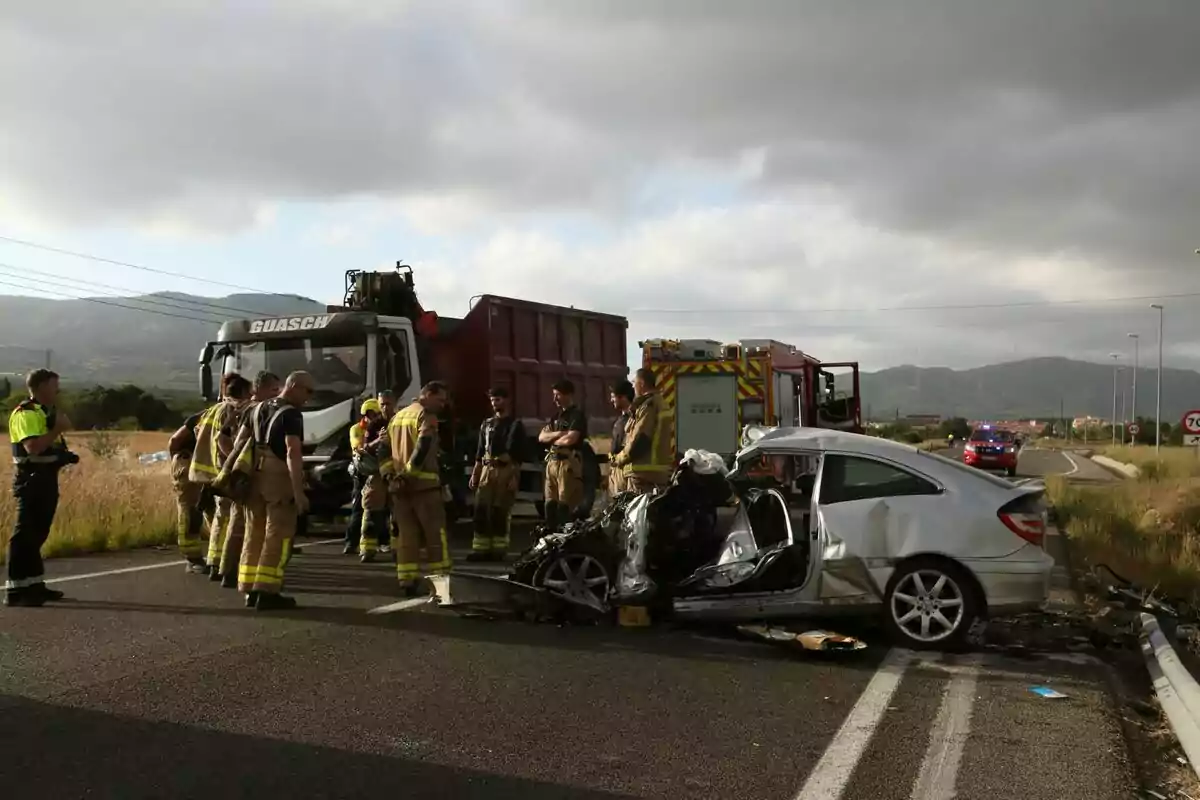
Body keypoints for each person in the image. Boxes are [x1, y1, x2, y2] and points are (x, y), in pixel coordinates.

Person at [235, 370, 313, 610]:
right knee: (278, 534)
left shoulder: (256, 408)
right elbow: (292, 452)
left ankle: (249, 588)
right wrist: (299, 491)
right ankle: (267, 591)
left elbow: (240, 442)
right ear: (294, 386)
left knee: (254, 531)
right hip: (277, 476)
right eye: (308, 391)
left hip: (255, 475)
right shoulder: (291, 414)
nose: (309, 398)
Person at [4, 369, 75, 607]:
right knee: (24, 535)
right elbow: (33, 447)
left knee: (37, 535)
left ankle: (34, 585)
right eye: (55, 385)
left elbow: (48, 449)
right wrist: (57, 429)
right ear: (42, 386)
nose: (59, 390)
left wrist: (64, 456)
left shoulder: (46, 412)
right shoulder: (25, 413)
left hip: (45, 480)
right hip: (31, 480)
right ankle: (15, 590)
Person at [384, 381, 450, 595]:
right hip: (424, 487)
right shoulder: (426, 416)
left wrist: (389, 476)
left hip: (400, 489)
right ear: (427, 394)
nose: (443, 404)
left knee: (406, 537)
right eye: (440, 399)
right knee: (435, 537)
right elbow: (423, 447)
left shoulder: (397, 417)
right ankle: (441, 587)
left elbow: (383, 448)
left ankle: (407, 580)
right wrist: (409, 474)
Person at [216, 370, 281, 588]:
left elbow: (224, 440)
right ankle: (244, 577)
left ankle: (228, 571)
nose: (277, 394)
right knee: (250, 528)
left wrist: (231, 465)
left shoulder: (244, 409)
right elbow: (227, 440)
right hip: (251, 474)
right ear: (259, 389)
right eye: (274, 389)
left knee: (237, 524)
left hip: (241, 472)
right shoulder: (257, 410)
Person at [467, 387, 527, 562]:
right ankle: (480, 549)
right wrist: (475, 474)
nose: (495, 403)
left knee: (499, 511)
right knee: (481, 509)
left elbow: (518, 456)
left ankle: (499, 551)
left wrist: (514, 478)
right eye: (493, 399)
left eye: (499, 399)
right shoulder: (486, 424)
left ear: (507, 400)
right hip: (486, 469)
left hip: (505, 470)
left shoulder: (515, 425)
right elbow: (479, 453)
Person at [203, 374, 253, 581]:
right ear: (242, 392)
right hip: (226, 469)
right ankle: (220, 562)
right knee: (228, 516)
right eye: (248, 392)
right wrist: (235, 459)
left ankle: (214, 560)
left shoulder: (216, 409)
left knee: (220, 517)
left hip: (218, 468)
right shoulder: (232, 410)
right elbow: (222, 439)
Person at [611, 368, 675, 494]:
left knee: (637, 512)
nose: (633, 386)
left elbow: (640, 439)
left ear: (641, 384)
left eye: (634, 382)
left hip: (643, 475)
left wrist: (619, 459)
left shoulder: (648, 406)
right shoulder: (660, 403)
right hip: (656, 472)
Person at [538, 379, 588, 527]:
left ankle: (564, 543)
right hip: (552, 464)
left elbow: (570, 439)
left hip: (567, 465)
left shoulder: (577, 415)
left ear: (569, 395)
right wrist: (560, 433)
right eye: (554, 395)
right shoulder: (556, 417)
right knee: (550, 507)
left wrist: (553, 438)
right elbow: (541, 437)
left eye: (558, 395)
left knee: (564, 508)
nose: (555, 399)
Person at [167, 407, 207, 567]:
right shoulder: (202, 416)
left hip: (200, 465)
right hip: (189, 463)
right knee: (189, 511)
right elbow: (175, 441)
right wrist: (180, 462)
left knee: (199, 510)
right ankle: (192, 557)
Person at [345, 398, 384, 556]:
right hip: (362, 471)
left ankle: (382, 541)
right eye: (369, 414)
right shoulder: (356, 429)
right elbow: (359, 448)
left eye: (375, 413)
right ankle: (350, 543)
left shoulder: (379, 427)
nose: (371, 417)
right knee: (357, 509)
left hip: (376, 470)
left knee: (378, 508)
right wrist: (376, 441)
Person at [606, 380, 634, 499]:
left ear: (623, 397)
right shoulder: (620, 420)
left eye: (613, 397)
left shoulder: (633, 419)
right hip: (617, 470)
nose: (611, 400)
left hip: (626, 471)